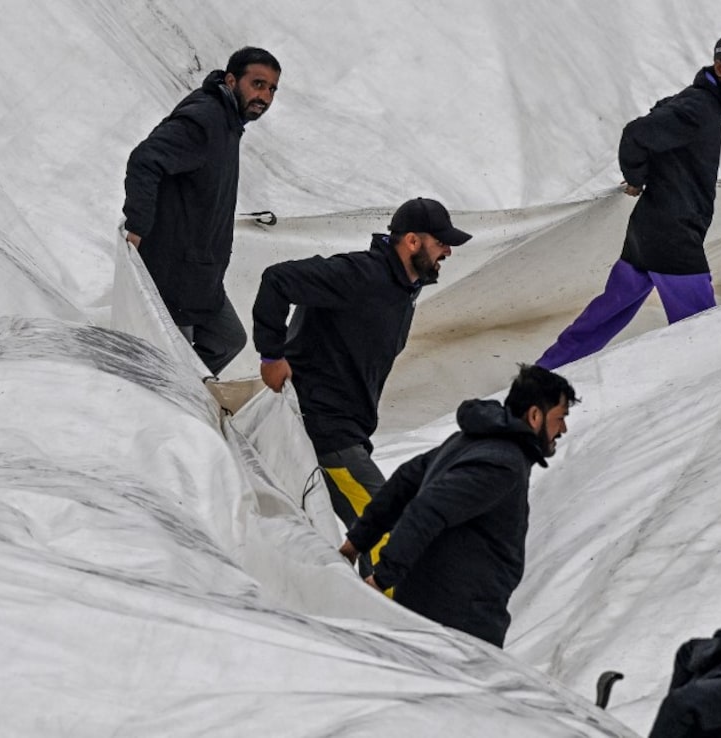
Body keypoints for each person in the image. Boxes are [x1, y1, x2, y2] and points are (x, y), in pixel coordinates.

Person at [252, 197, 472, 574]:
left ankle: (362, 598)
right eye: (441, 242)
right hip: (324, 431)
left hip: (349, 431)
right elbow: (278, 279)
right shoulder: (359, 274)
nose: (448, 251)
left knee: (381, 529)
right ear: (413, 242)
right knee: (390, 532)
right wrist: (271, 356)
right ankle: (383, 620)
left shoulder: (403, 289)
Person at [537, 32, 721, 370]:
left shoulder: (701, 102)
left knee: (605, 317)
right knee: (705, 337)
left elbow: (657, 121)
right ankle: (710, 401)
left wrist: (646, 173)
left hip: (646, 233)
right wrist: (636, 177)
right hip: (673, 239)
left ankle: (541, 375)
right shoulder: (701, 108)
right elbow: (637, 133)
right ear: (720, 67)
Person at [338, 365, 577, 648]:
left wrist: (355, 544)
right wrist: (381, 579)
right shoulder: (503, 464)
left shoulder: (469, 441)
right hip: (457, 625)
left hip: (432, 610)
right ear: (535, 415)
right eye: (559, 418)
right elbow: (427, 508)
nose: (563, 429)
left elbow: (404, 481)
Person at [122, 46, 281, 376]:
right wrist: (138, 225)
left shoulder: (229, 121)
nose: (264, 96)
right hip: (175, 275)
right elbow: (145, 160)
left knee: (227, 339)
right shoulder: (205, 120)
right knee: (172, 369)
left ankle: (186, 391)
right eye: (258, 84)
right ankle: (171, 403)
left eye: (271, 89)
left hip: (202, 277)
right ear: (232, 80)